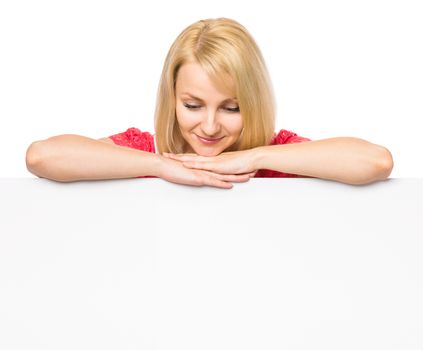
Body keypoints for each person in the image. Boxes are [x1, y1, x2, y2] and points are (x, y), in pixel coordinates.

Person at [25, 17, 394, 189]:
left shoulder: (275, 154)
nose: (211, 126)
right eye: (193, 105)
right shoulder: (149, 151)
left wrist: (255, 157)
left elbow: (375, 161)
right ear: (172, 98)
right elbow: (43, 157)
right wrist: (160, 166)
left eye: (231, 108)